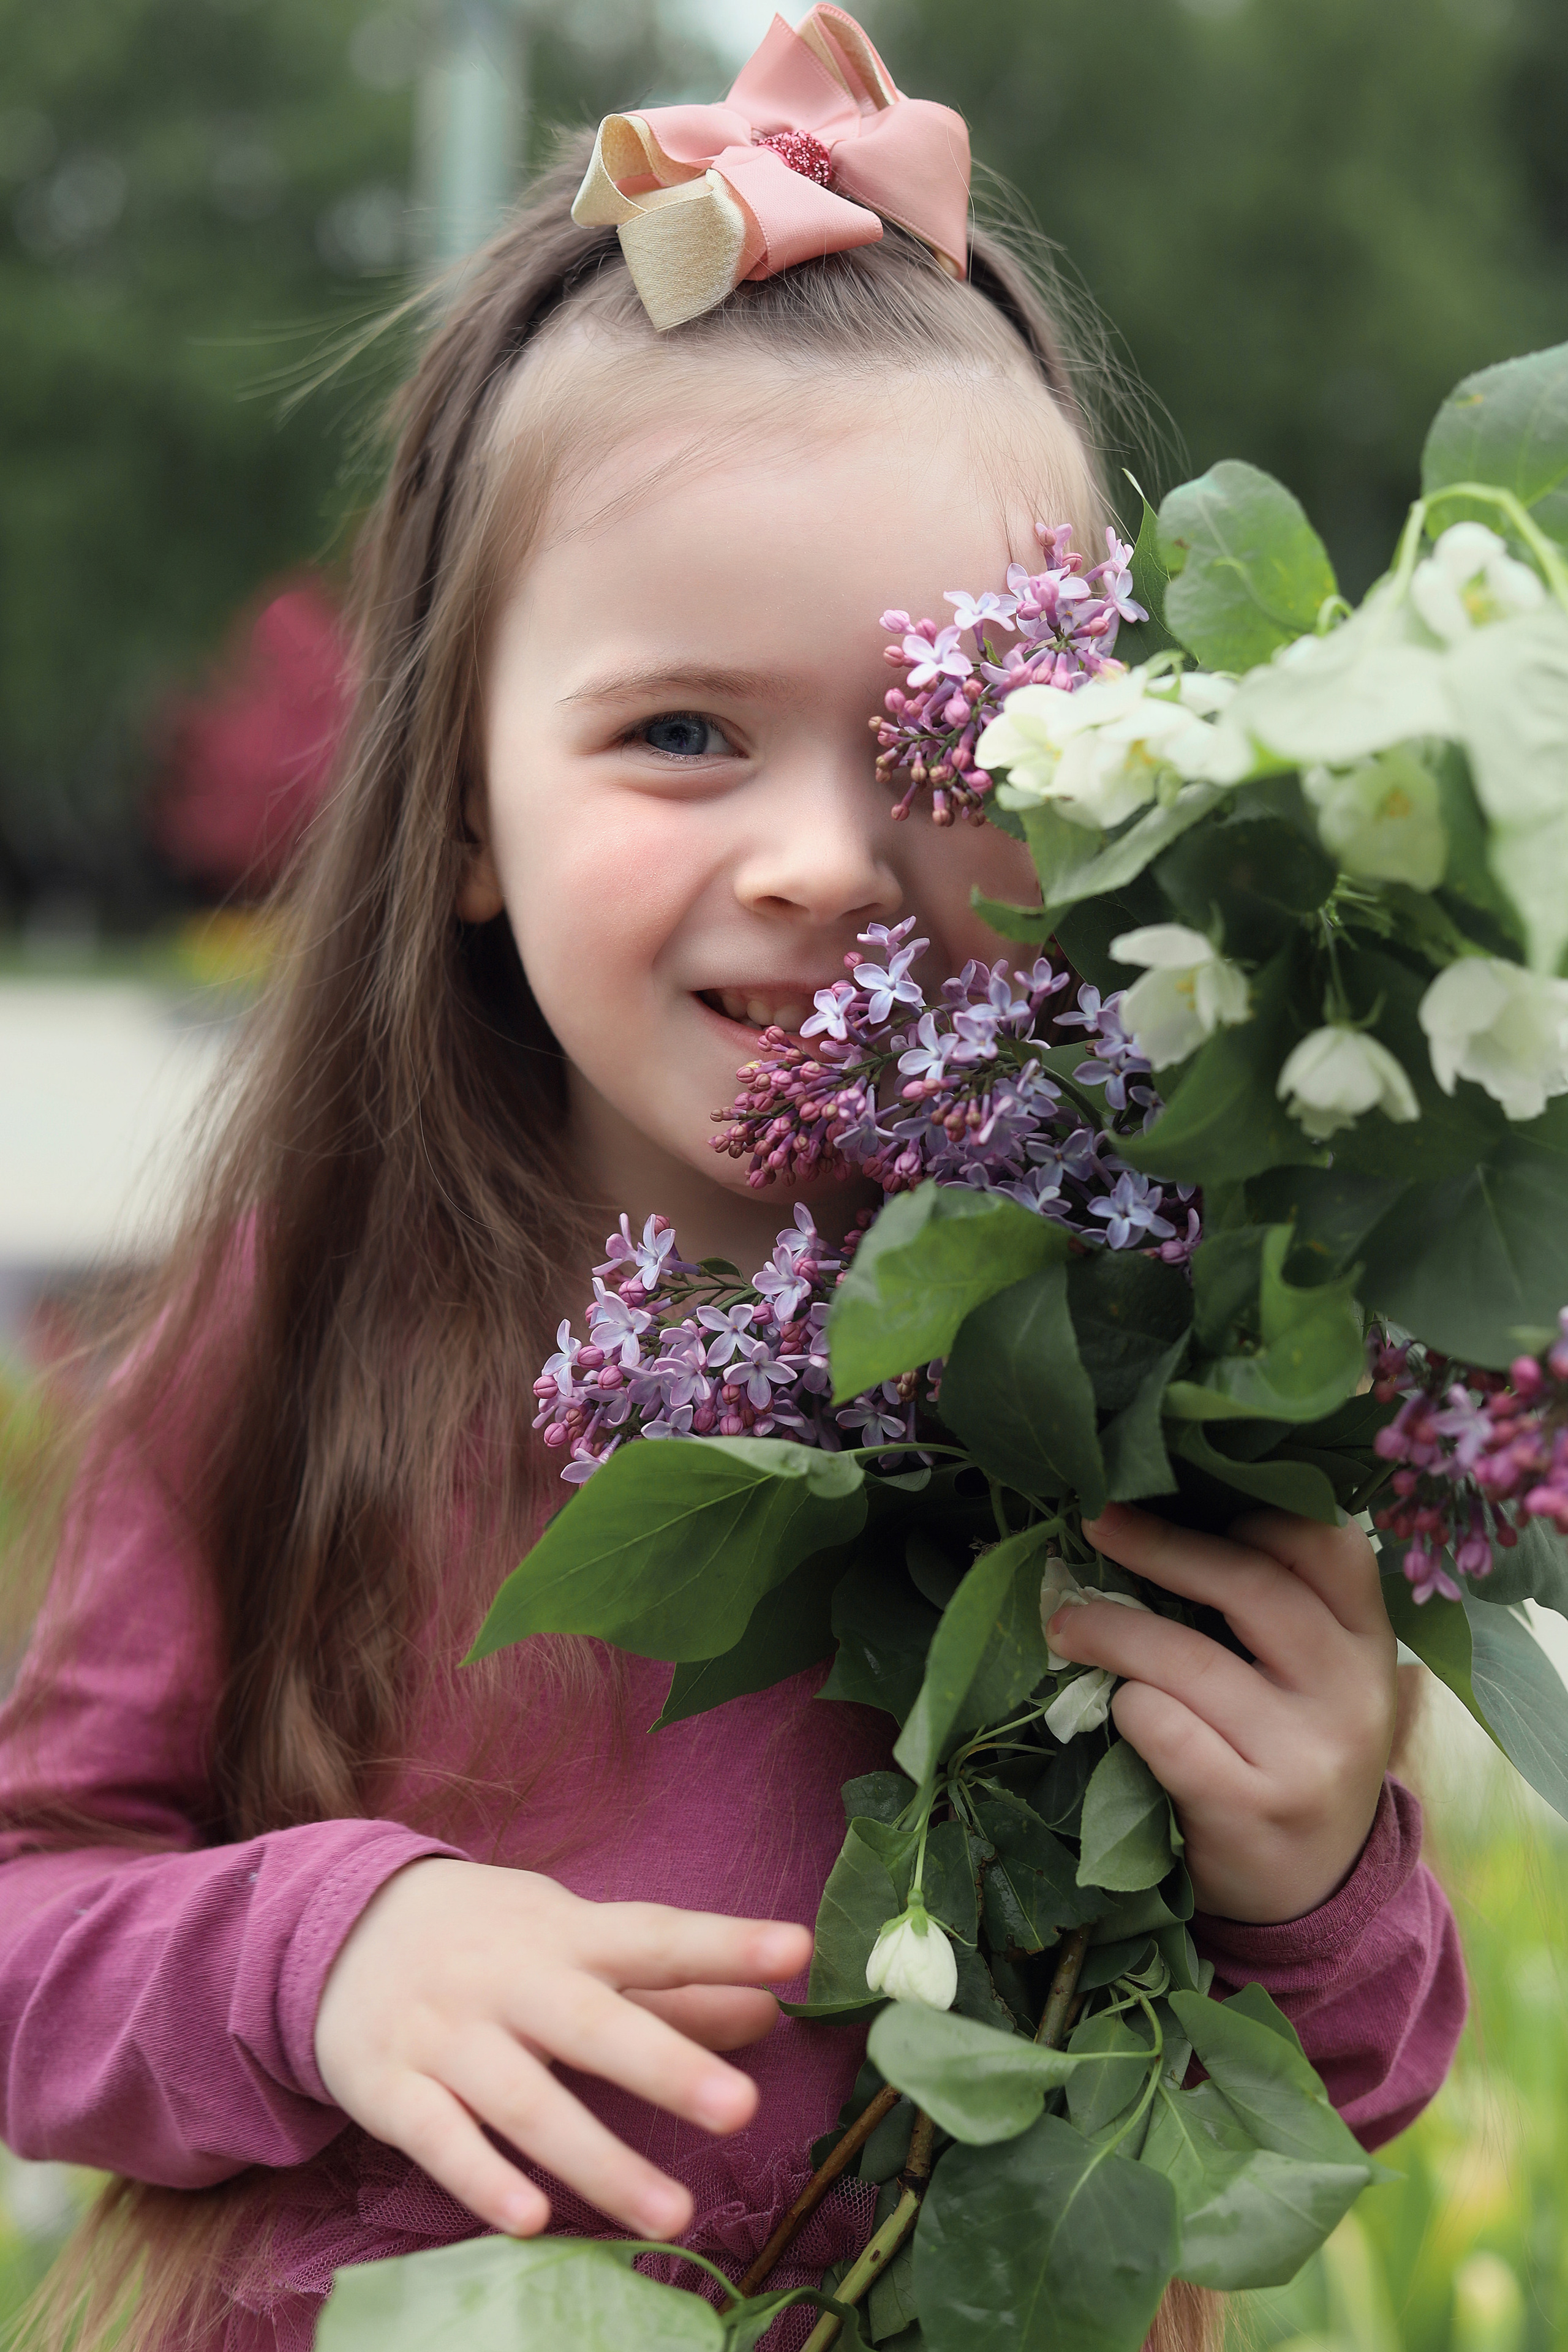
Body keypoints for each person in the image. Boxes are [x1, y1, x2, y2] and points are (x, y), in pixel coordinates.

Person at [0, 12, 1464, 2351]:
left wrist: (1314, 1863)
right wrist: (325, 1950)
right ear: (461, 814)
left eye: (952, 747)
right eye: (683, 733)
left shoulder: (1139, 1357)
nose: (820, 860)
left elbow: (1308, 2109)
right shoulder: (310, 1318)